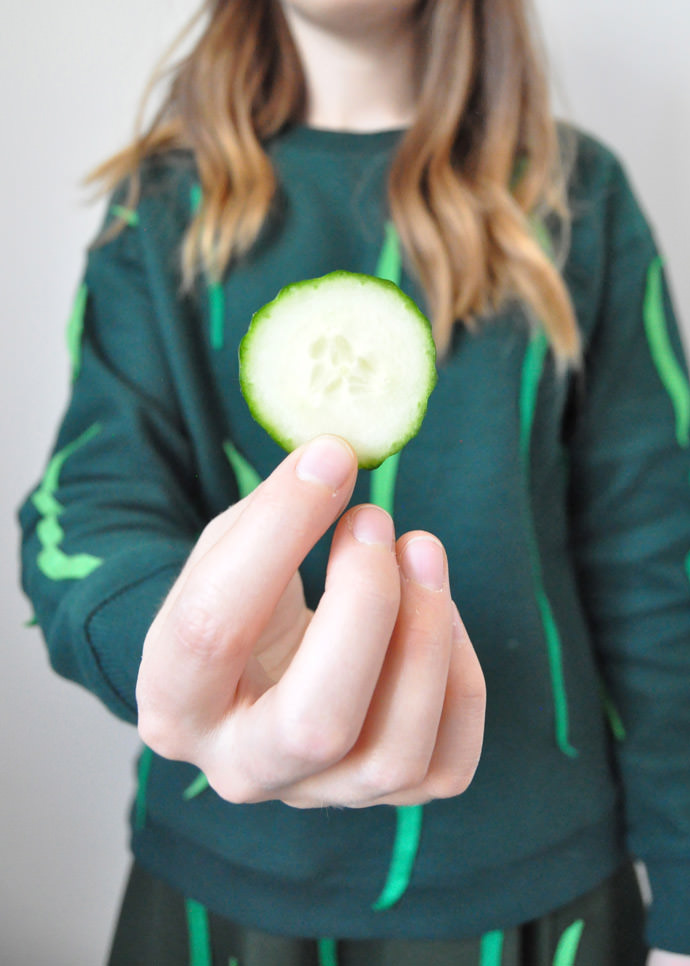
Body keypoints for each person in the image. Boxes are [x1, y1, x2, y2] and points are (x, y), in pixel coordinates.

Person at [18, 0, 690, 963]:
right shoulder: (160, 203)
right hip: (220, 879)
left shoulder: (577, 195)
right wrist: (178, 647)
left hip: (535, 880)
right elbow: (82, 508)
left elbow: (657, 558)